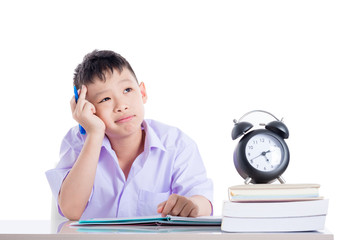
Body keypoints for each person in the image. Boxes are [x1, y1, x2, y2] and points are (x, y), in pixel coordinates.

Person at [45, 50, 213, 220]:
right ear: (87, 108)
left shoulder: (176, 144)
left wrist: (193, 205)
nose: (121, 105)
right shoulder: (77, 143)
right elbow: (71, 210)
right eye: (105, 99)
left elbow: (202, 200)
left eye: (127, 90)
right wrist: (94, 134)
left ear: (142, 93)